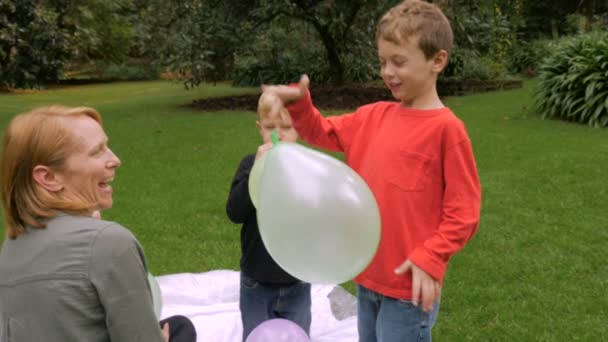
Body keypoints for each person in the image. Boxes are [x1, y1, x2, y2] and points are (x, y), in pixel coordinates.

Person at [260, 1, 482, 341]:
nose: (387, 72)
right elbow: (324, 132)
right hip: (367, 278)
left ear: (437, 61)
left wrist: (431, 257)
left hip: (409, 288)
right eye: (382, 62)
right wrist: (300, 104)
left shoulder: (446, 131)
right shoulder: (372, 116)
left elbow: (464, 212)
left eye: (399, 61)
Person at [0, 105, 197, 342]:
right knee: (181, 330)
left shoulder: (14, 242)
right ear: (49, 177)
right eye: (97, 152)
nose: (115, 160)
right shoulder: (109, 242)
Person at [226, 93, 312, 341]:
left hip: (297, 280)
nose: (279, 134)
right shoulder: (250, 164)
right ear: (259, 128)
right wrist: (257, 173)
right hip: (257, 280)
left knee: (297, 335)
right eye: (270, 127)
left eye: (286, 127)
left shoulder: (306, 167)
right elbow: (235, 212)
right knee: (255, 335)